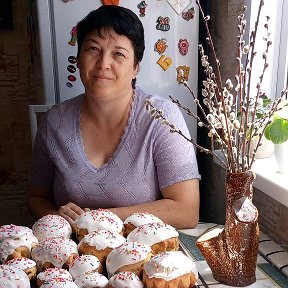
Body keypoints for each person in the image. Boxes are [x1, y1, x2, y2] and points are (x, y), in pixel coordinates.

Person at [27, 5, 201, 231]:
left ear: (135, 67)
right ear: (78, 59)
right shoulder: (54, 122)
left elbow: (186, 211)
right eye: (92, 49)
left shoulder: (162, 119)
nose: (103, 64)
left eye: (118, 53)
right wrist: (57, 217)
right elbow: (35, 197)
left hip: (147, 257)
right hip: (71, 258)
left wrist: (103, 219)